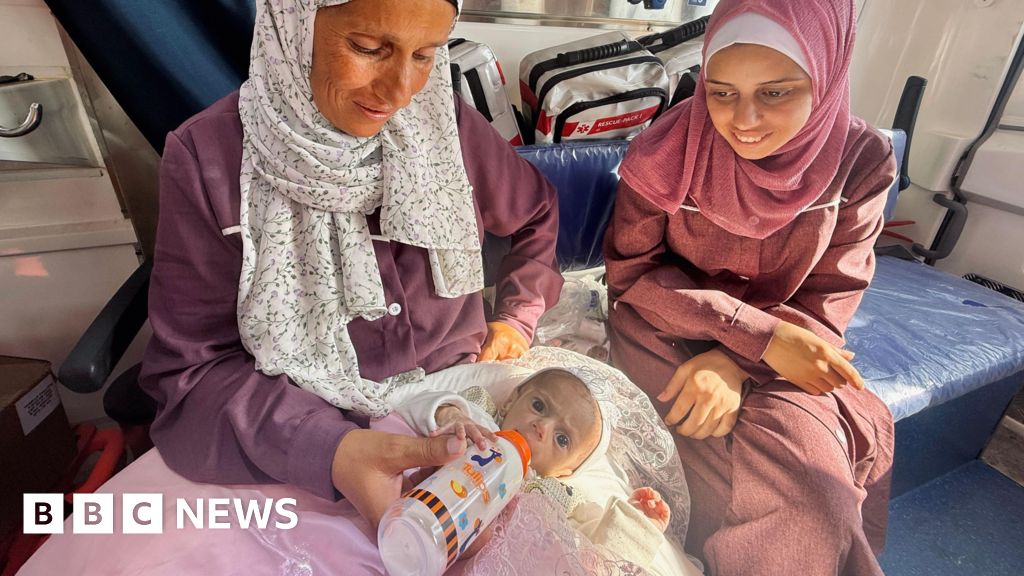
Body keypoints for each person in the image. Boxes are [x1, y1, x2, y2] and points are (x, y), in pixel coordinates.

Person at [140, 0, 562, 531]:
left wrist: (517, 314)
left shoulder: (444, 124)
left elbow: (536, 212)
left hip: (466, 404)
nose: (401, 91)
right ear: (294, 25)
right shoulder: (210, 160)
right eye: (367, 49)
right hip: (304, 433)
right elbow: (193, 372)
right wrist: (332, 450)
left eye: (426, 55)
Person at [603, 0, 897, 574]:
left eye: (775, 92)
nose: (743, 120)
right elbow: (631, 275)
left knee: (817, 503)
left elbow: (831, 294)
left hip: (790, 348)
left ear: (826, 73)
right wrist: (744, 333)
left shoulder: (861, 160)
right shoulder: (664, 154)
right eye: (721, 92)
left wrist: (741, 360)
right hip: (666, 333)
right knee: (708, 486)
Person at [395, 364, 681, 570]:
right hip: (420, 523)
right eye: (539, 406)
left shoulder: (556, 494)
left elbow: (594, 556)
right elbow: (413, 405)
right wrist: (450, 414)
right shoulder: (480, 420)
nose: (542, 427)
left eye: (561, 438)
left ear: (566, 472)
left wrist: (634, 522)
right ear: (510, 401)